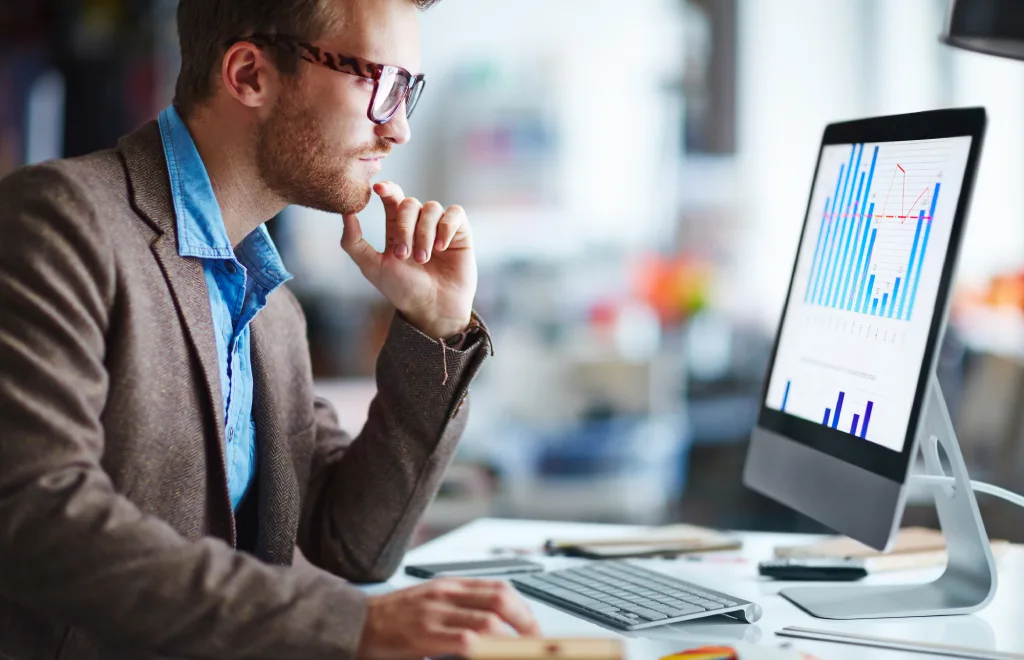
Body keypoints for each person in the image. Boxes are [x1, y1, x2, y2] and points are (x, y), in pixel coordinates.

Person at [0, 0, 541, 657]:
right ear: (250, 74)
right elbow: (36, 514)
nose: (398, 129)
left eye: (409, 91)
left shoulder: (269, 305)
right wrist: (352, 627)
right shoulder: (60, 222)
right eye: (380, 84)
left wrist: (436, 327)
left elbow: (354, 545)